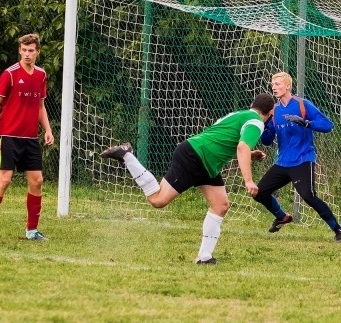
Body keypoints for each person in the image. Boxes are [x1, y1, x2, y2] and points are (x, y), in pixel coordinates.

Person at [100, 93, 276, 264]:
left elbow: (222, 141)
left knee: (221, 205)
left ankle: (205, 256)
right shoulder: (257, 122)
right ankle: (127, 156)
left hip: (204, 160)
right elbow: (242, 147)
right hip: (195, 157)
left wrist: (250, 155)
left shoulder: (240, 115)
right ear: (270, 112)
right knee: (158, 200)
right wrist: (248, 180)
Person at [253, 72, 341, 242]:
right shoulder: (274, 111)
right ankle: (282, 216)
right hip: (283, 162)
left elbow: (328, 125)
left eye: (278, 83)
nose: (274, 87)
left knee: (308, 196)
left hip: (303, 159)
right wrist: (262, 125)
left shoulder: (303, 105)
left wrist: (307, 123)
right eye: (272, 84)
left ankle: (339, 230)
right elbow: (267, 141)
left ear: (287, 86)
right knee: (259, 193)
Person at [0, 33, 55, 241]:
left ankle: (32, 231)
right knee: (4, 180)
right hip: (9, 136)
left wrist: (47, 130)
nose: (27, 54)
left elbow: (40, 106)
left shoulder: (41, 75)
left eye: (31, 50)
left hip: (30, 138)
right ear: (19, 51)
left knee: (37, 181)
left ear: (37, 52)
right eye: (24, 50)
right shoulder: (10, 74)